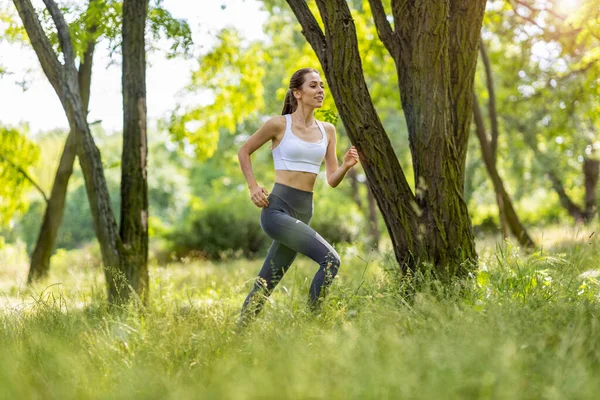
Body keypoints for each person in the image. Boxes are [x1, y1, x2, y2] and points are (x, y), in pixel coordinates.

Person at [236, 67, 360, 325]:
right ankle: (311, 328)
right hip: (277, 210)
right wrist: (253, 187)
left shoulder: (328, 131)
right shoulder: (279, 125)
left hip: (304, 212)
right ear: (298, 93)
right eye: (313, 86)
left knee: (267, 281)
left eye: (322, 86)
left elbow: (332, 179)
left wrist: (346, 166)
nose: (320, 91)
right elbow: (244, 151)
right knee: (330, 260)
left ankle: (237, 334)